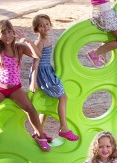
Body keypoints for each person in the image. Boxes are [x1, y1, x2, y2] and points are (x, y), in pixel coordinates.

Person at [0, 20, 51, 152]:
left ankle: (40, 137)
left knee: (30, 109)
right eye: (3, 33)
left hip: (15, 88)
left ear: (13, 33)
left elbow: (37, 55)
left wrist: (27, 41)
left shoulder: (19, 47)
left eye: (9, 32)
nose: (7, 36)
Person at [28, 14, 79, 143]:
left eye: (47, 24)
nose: (45, 27)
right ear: (36, 29)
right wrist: (33, 81)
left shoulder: (46, 40)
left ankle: (38, 131)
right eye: (41, 25)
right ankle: (64, 128)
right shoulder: (40, 42)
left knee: (46, 103)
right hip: (43, 73)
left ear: (50, 25)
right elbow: (35, 62)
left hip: (47, 70)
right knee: (63, 96)